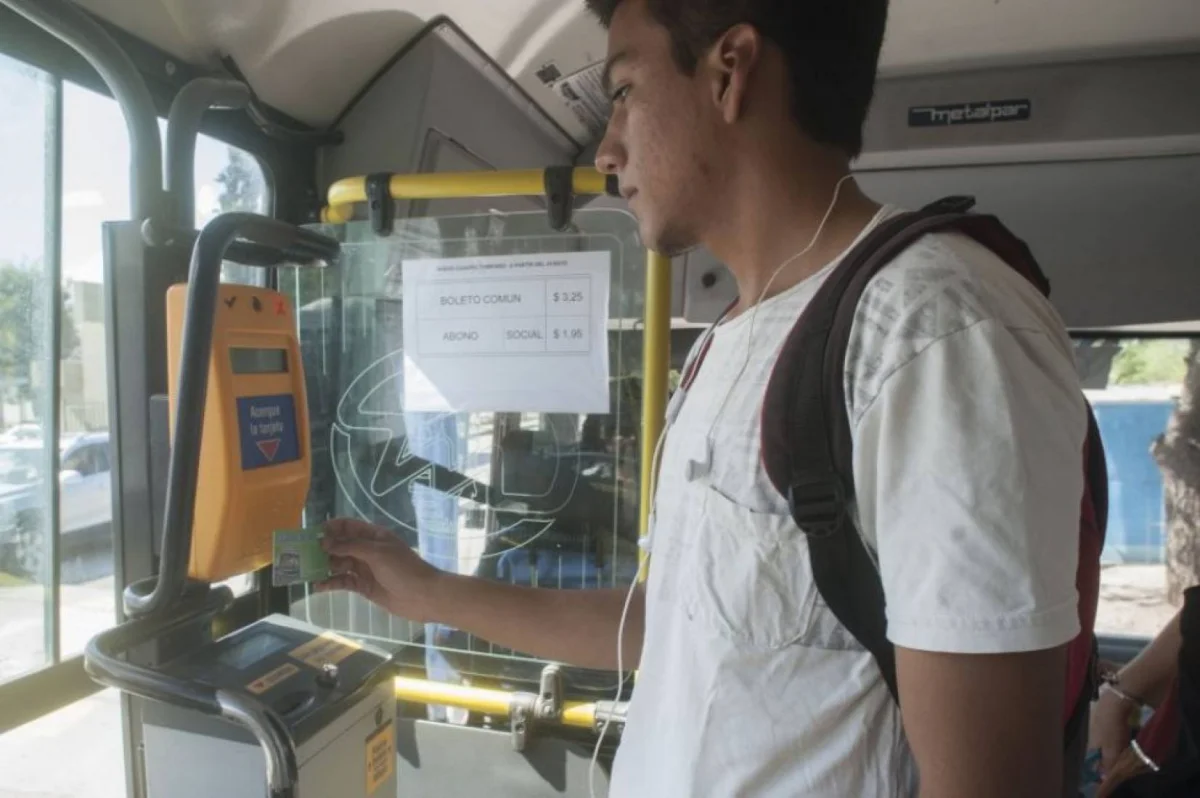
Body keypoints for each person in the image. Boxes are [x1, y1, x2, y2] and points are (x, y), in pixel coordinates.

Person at [317, 1, 1090, 794]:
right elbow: (678, 624)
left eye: (623, 92)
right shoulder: (732, 336)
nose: (606, 152)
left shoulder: (934, 333)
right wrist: (432, 592)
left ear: (729, 72)